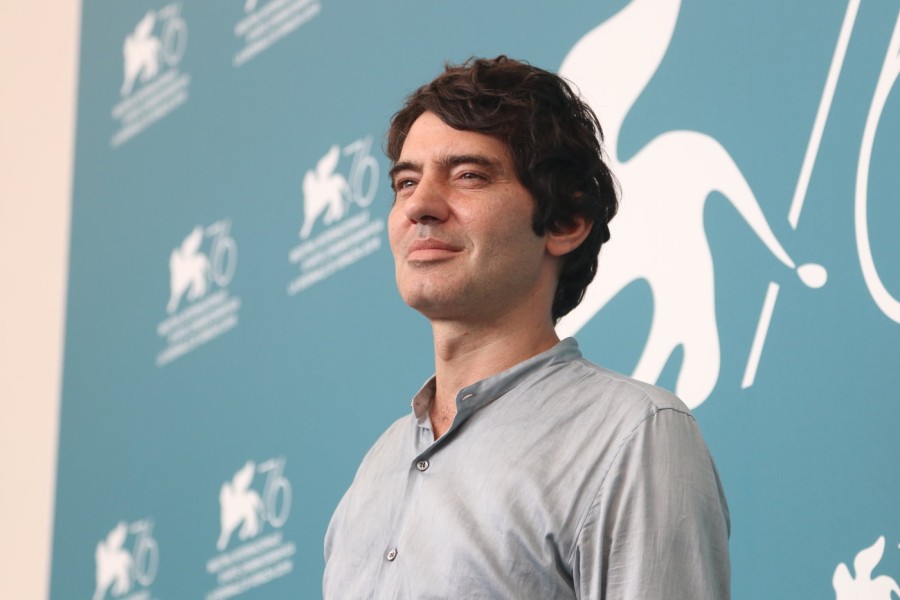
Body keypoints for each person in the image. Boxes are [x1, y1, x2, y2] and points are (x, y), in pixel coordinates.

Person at [323, 55, 730, 599]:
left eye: (468, 175)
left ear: (564, 223)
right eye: (406, 181)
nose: (420, 205)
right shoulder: (376, 469)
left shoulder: (632, 434)